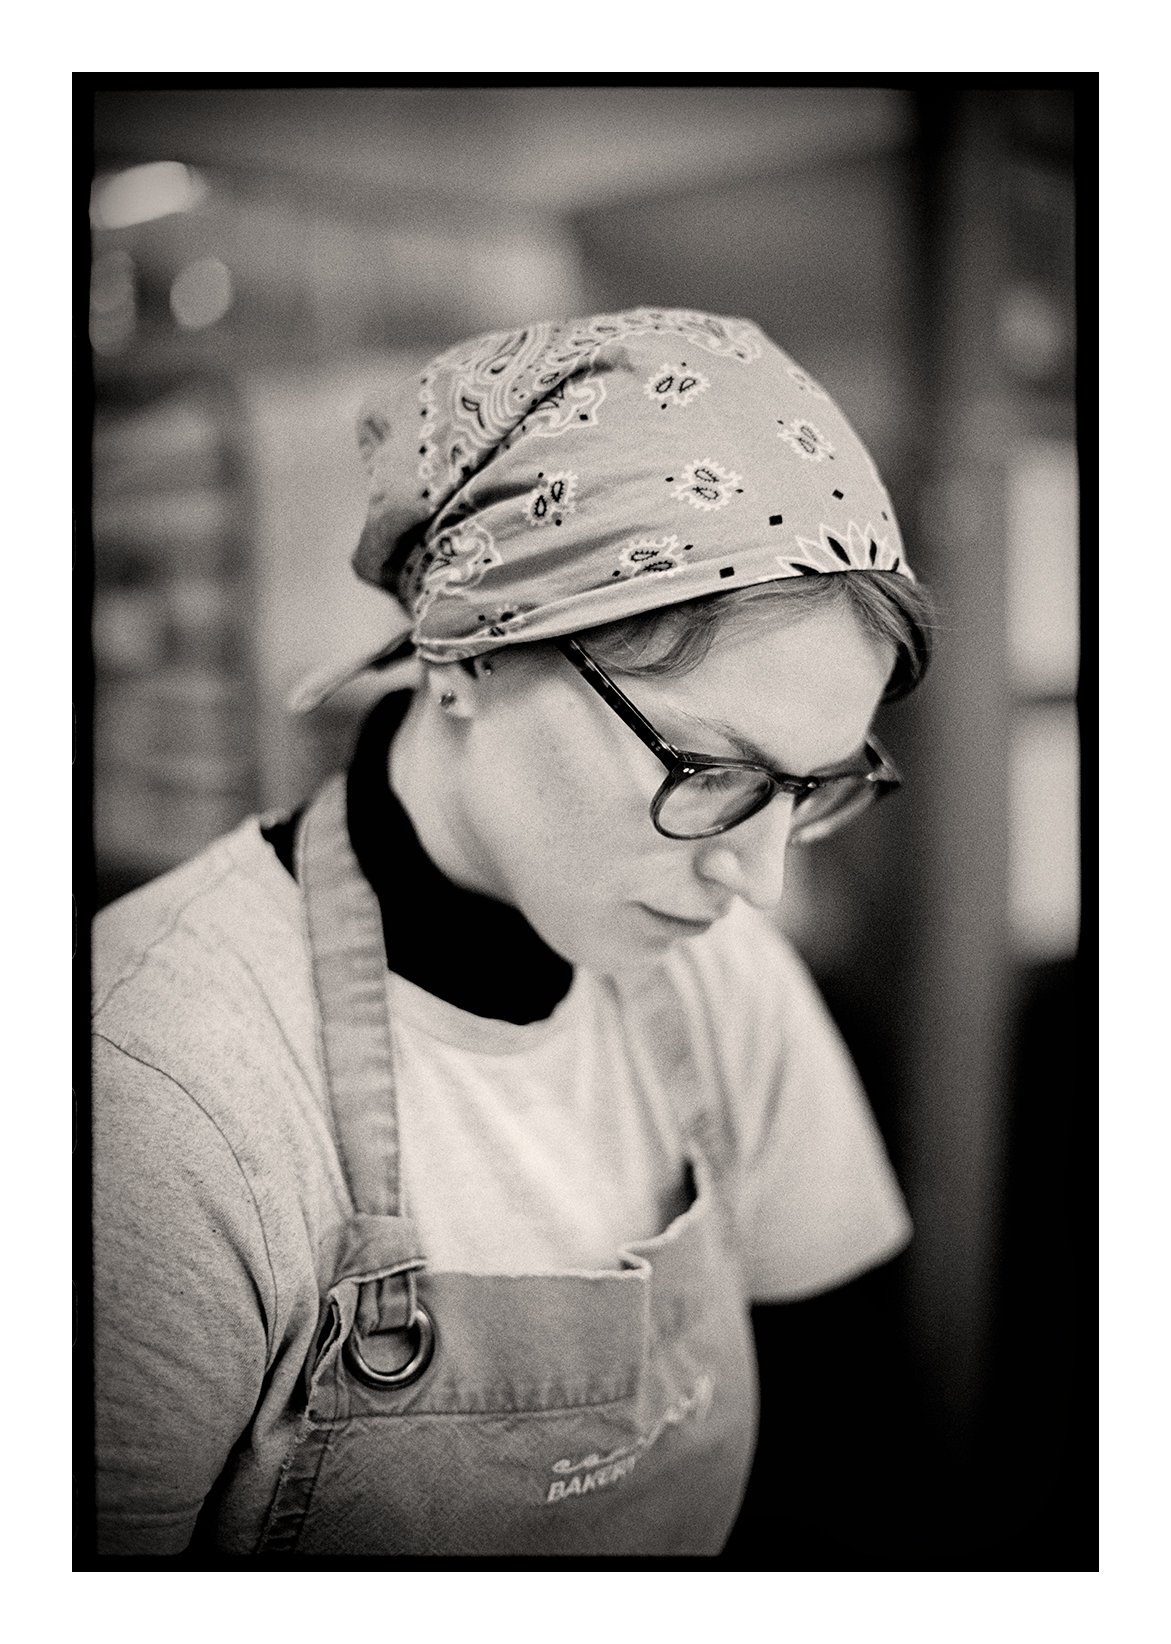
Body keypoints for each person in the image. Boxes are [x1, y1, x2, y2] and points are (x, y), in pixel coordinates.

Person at [91, 307, 934, 1558]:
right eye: (709, 768)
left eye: (809, 789)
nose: (756, 881)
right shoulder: (151, 1092)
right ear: (465, 660)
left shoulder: (727, 984)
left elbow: (855, 1468)